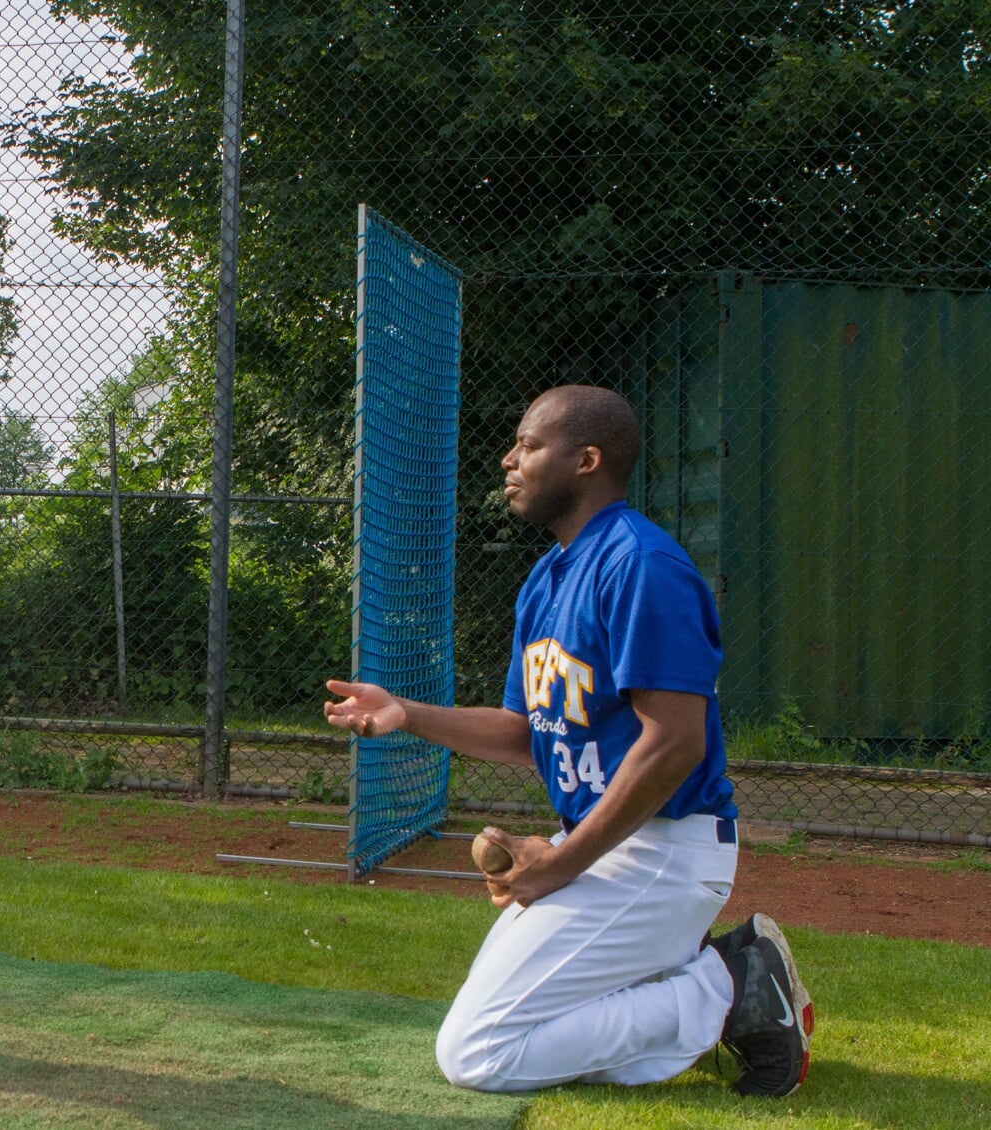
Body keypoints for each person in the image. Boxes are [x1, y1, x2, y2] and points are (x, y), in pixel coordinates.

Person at [323, 385, 813, 1097]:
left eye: (528, 445)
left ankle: (726, 987)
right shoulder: (548, 578)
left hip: (663, 849)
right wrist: (407, 712)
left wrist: (561, 863)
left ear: (586, 459)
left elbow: (674, 744)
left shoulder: (642, 566)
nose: (508, 459)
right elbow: (528, 732)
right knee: (547, 1032)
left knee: (478, 1053)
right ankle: (684, 976)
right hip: (610, 848)